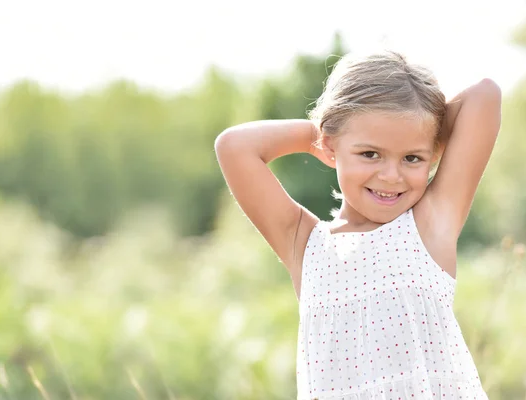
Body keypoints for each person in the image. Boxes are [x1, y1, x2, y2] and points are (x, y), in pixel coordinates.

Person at [214, 50, 501, 399]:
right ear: (331, 145)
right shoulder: (304, 245)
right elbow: (233, 146)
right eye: (370, 154)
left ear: (434, 154)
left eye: (412, 157)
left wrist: (424, 124)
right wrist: (318, 134)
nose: (391, 176)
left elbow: (484, 96)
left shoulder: (430, 223)